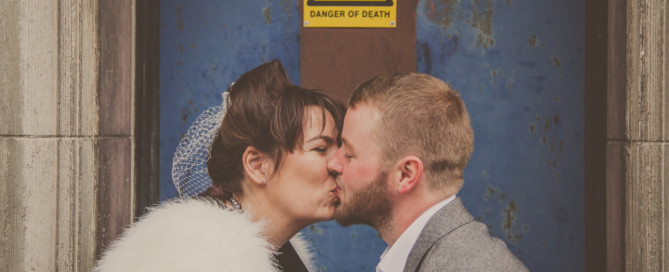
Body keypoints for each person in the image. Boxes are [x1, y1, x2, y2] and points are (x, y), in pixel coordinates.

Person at [95, 60, 345, 272]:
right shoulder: (204, 259)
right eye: (321, 149)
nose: (338, 163)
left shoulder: (273, 250)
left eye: (341, 148)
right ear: (257, 165)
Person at [327, 73, 528, 272]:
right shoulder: (444, 256)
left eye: (349, 154)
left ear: (406, 174)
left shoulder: (467, 266)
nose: (333, 163)